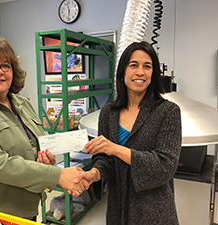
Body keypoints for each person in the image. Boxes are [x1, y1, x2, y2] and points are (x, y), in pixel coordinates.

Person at [0, 38, 87, 221]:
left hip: (24, 210)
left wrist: (44, 161)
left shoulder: (22, 104)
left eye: (6, 65)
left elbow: (31, 148)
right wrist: (57, 175)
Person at [75, 41, 182, 224]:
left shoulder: (168, 112)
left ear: (153, 74)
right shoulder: (109, 113)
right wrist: (94, 174)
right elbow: (105, 160)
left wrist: (116, 149)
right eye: (133, 65)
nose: (140, 72)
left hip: (154, 211)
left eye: (147, 66)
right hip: (118, 210)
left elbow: (165, 166)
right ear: (123, 71)